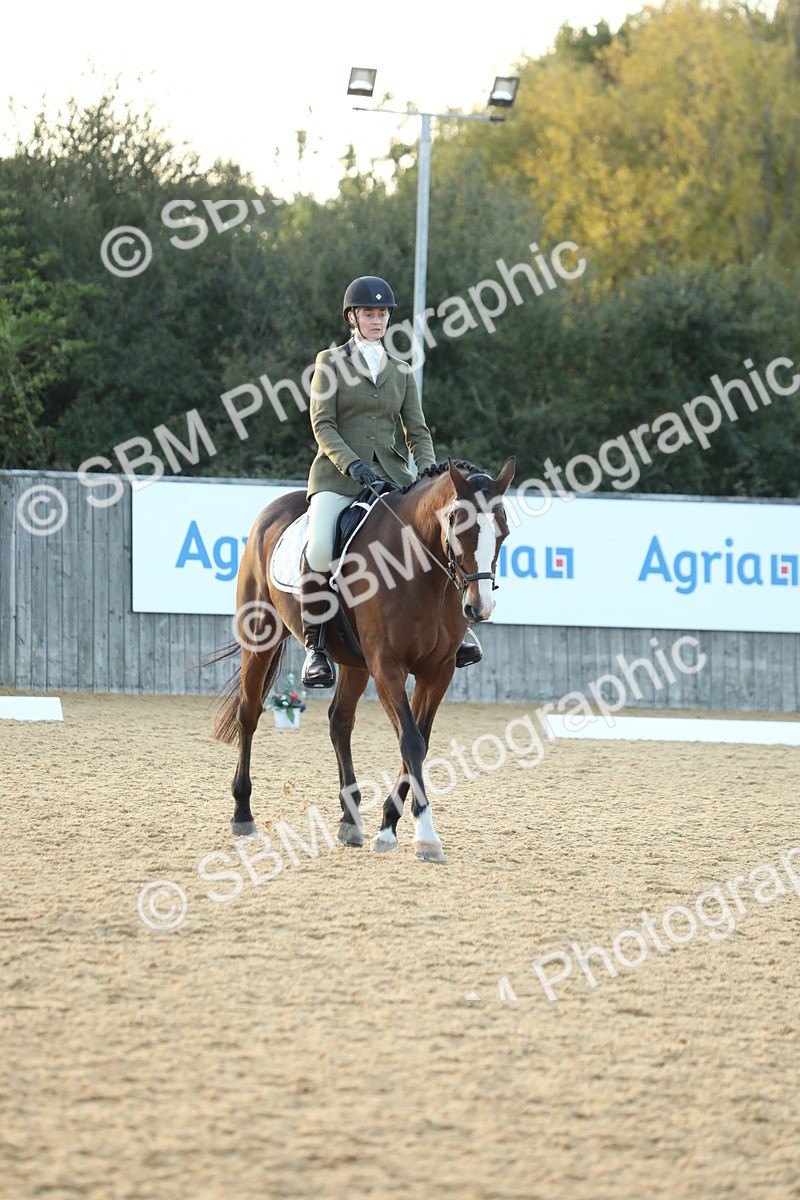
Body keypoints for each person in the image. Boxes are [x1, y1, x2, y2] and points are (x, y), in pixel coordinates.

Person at [300, 274, 482, 688]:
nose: (377, 320)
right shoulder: (330, 362)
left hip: (393, 478)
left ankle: (457, 632)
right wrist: (352, 465)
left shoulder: (400, 371)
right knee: (322, 545)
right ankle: (316, 645)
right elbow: (322, 424)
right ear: (353, 317)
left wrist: (431, 472)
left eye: (382, 313)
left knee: (437, 538)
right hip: (339, 477)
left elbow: (417, 430)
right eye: (369, 313)